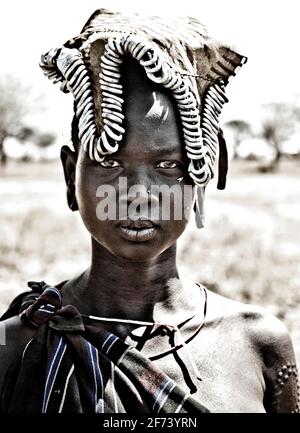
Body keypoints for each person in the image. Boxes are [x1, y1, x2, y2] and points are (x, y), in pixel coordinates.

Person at [0, 9, 299, 413]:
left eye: (168, 166)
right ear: (71, 175)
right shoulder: (14, 346)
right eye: (108, 162)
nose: (137, 193)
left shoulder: (257, 342)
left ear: (206, 172)